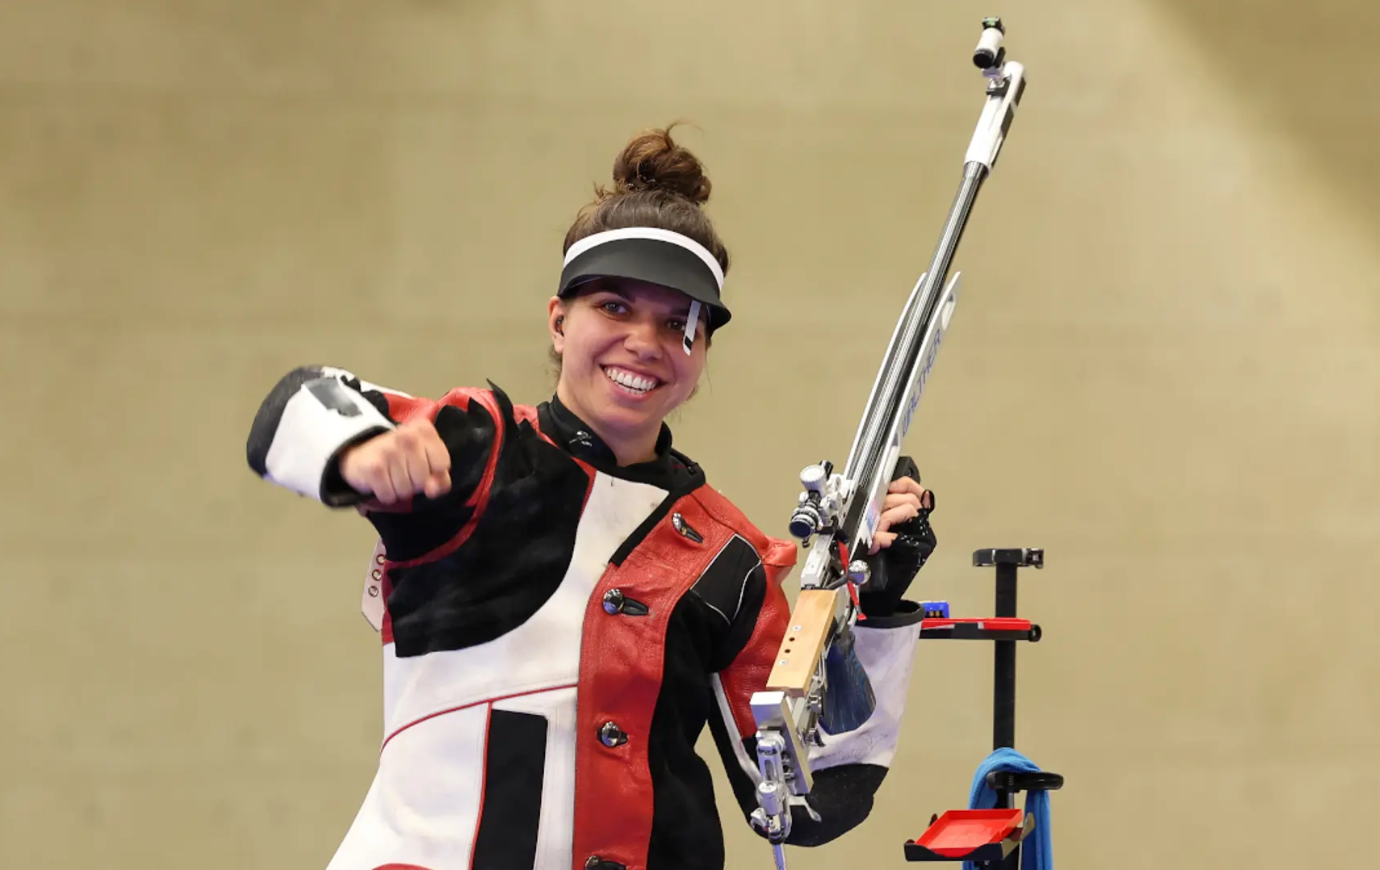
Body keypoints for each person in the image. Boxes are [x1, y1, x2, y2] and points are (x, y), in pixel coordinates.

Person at [245, 126, 938, 870]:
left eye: (680, 325)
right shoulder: (478, 448)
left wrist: (877, 605)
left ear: (702, 355)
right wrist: (362, 449)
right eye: (614, 307)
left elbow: (812, 796)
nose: (646, 340)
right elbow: (305, 406)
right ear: (558, 319)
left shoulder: (730, 556)